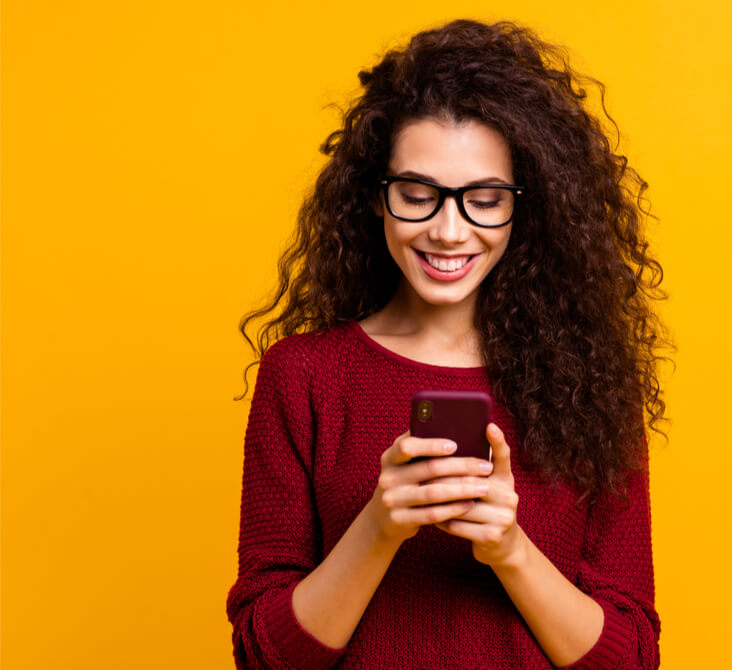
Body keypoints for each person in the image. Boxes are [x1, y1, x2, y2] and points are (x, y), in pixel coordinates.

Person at [226, 19, 668, 670]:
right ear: (375, 199)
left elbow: (630, 659)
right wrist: (378, 526)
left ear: (525, 207)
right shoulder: (303, 376)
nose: (448, 230)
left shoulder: (591, 386)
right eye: (418, 194)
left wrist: (511, 550)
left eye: (484, 199)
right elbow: (265, 658)